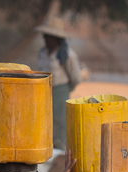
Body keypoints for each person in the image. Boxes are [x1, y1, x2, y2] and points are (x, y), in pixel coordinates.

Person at [35, 15, 82, 150]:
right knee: (45, 124)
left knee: (60, 125)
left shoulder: (67, 55)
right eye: (44, 35)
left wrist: (64, 91)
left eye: (48, 35)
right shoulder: (43, 53)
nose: (44, 38)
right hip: (44, 93)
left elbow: (75, 78)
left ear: (55, 38)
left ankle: (60, 154)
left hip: (60, 93)